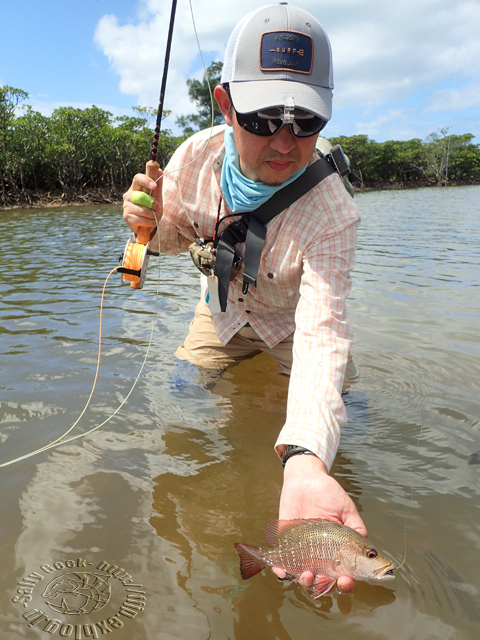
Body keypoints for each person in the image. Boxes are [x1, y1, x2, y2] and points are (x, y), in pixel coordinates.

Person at [123, 3, 365, 594]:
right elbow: (178, 240)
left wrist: (306, 458)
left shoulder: (334, 214)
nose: (284, 142)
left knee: (348, 412)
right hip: (222, 314)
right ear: (226, 104)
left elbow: (322, 333)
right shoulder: (194, 160)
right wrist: (147, 231)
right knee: (182, 399)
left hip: (290, 326)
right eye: (262, 118)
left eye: (304, 120)